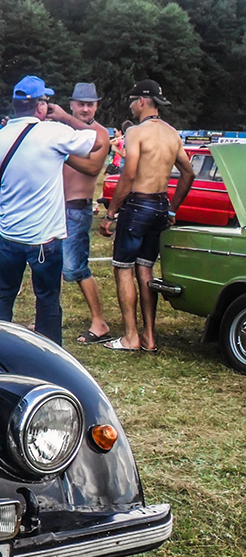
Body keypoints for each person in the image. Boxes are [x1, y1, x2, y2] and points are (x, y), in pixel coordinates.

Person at [0, 75, 109, 345]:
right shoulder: (52, 133)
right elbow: (96, 142)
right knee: (47, 302)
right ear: (40, 107)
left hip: (8, 234)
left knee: (2, 299)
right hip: (44, 239)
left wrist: (4, 211)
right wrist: (65, 118)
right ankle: (48, 354)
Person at [99, 79, 194, 353]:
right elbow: (189, 173)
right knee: (146, 269)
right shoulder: (172, 134)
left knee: (123, 268)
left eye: (132, 100)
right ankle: (149, 338)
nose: (130, 105)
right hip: (161, 205)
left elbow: (128, 174)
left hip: (138, 205)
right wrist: (173, 208)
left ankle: (130, 337)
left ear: (142, 101)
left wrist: (111, 213)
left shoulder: (137, 133)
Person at [63, 83, 113, 344]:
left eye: (90, 104)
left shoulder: (99, 133)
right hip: (53, 207)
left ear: (96, 106)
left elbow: (92, 169)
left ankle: (99, 321)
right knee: (46, 265)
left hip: (76, 207)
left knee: (76, 267)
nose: (85, 108)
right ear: (72, 103)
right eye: (80, 103)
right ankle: (47, 315)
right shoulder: (59, 131)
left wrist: (60, 153)